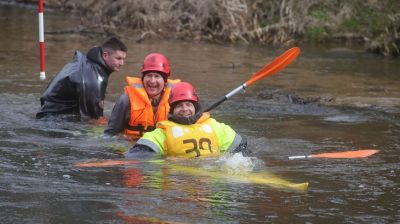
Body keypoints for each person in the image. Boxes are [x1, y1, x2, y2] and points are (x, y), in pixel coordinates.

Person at [125, 82, 250, 158]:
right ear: (172, 110)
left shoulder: (215, 127)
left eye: (188, 105)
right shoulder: (162, 133)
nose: (184, 109)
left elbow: (243, 149)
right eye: (179, 105)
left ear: (195, 108)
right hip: (179, 180)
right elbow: (138, 156)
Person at [36, 37, 127, 121]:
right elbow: (94, 121)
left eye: (123, 59)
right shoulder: (93, 80)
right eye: (118, 58)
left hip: (49, 112)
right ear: (105, 55)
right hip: (53, 121)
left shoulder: (87, 62)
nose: (122, 63)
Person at [104, 53, 180, 140]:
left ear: (165, 81)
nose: (152, 81)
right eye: (149, 76)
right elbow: (110, 134)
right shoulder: (126, 100)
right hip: (131, 148)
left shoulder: (176, 100)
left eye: (157, 76)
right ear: (142, 79)